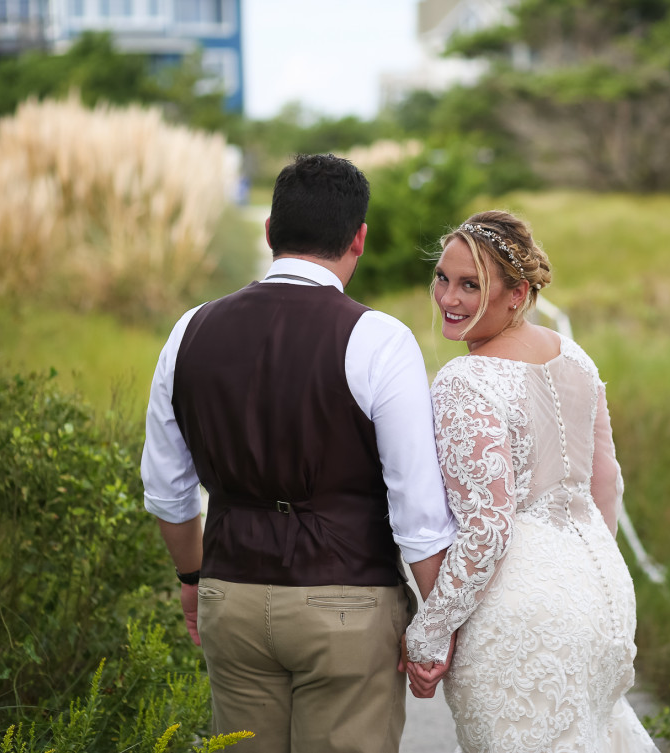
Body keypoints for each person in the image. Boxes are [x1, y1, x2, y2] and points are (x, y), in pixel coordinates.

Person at [141, 153, 458, 753]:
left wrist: (191, 577)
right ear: (359, 238)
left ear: (269, 232)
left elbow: (167, 490)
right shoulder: (379, 339)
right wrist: (438, 628)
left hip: (229, 593)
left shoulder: (189, 330)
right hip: (347, 603)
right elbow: (418, 515)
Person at [402, 210, 659, 752]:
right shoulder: (577, 359)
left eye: (471, 285)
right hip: (603, 593)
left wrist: (430, 631)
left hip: (520, 612)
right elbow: (607, 482)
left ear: (516, 294)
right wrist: (579, 575)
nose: (448, 298)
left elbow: (487, 526)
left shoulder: (464, 380)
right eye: (443, 278)